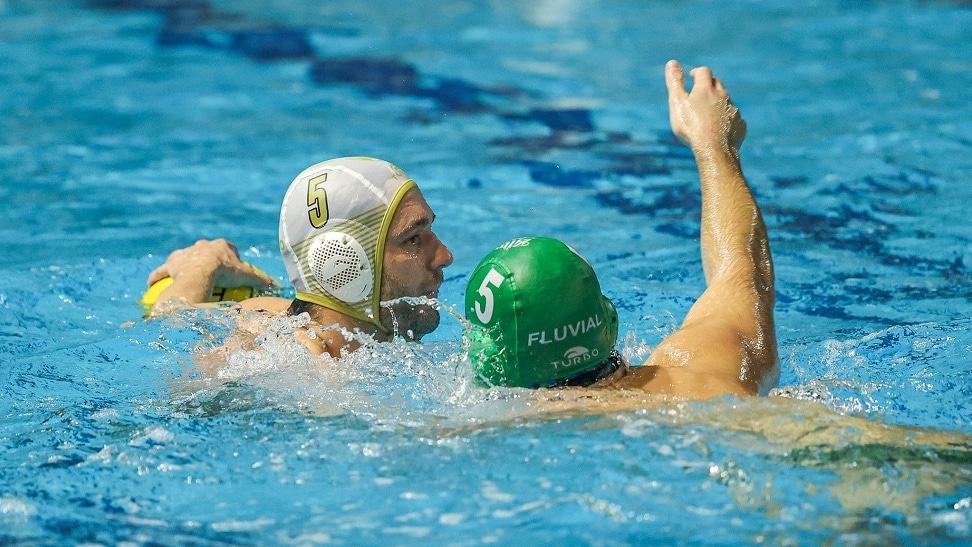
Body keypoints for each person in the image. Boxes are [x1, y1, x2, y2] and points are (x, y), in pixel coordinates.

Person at [464, 60, 778, 399]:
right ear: (607, 319)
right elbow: (743, 276)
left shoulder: (519, 425)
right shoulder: (702, 371)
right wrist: (714, 144)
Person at [146, 156, 454, 358]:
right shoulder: (295, 360)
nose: (444, 256)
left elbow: (172, 315)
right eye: (413, 238)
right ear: (343, 263)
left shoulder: (268, 313)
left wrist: (206, 261)